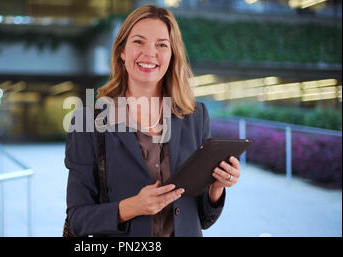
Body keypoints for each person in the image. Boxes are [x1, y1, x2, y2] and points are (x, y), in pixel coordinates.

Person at [64, 5, 241, 237]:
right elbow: (77, 219)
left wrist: (217, 186)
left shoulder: (195, 116)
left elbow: (202, 218)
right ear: (122, 51)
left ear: (171, 55)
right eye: (138, 42)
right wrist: (131, 207)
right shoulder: (89, 120)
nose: (150, 53)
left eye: (161, 45)